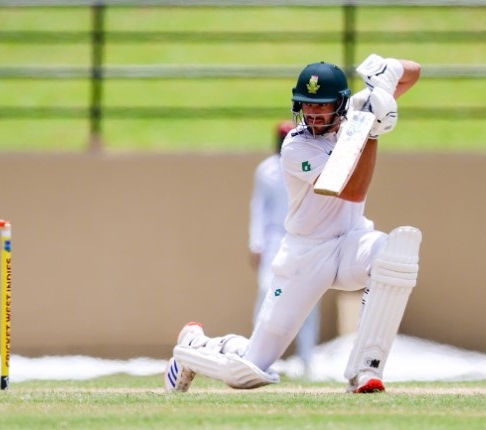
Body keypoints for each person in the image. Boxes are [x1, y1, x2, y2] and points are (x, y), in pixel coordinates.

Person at [164, 53, 422, 394]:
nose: (313, 113)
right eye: (306, 105)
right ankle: (193, 347)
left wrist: (386, 81)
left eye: (322, 105)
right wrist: (372, 131)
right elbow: (352, 189)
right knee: (249, 371)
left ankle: (364, 370)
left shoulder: (356, 116)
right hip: (306, 254)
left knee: (392, 255)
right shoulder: (296, 147)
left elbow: (413, 73)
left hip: (350, 242)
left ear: (341, 105)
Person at [248, 120, 320, 375]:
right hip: (274, 238)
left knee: (308, 295)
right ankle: (258, 355)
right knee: (267, 290)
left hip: (302, 236)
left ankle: (306, 359)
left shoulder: (307, 164)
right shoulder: (266, 171)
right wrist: (255, 243)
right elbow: (258, 208)